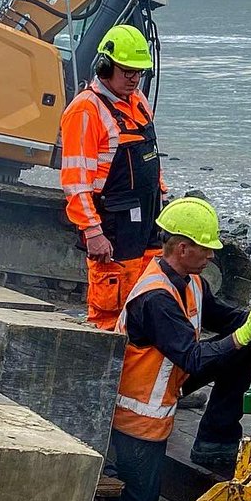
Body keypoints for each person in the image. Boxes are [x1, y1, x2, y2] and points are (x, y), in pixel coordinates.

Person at [109, 196, 251, 501]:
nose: (212, 255)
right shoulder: (156, 299)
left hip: (171, 385)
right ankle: (113, 463)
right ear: (183, 249)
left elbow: (222, 318)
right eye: (206, 248)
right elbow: (194, 358)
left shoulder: (192, 281)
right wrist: (241, 335)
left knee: (244, 345)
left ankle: (215, 441)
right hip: (139, 411)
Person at [60, 24, 167, 330]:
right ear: (106, 66)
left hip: (146, 224)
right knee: (111, 311)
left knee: (149, 304)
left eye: (139, 72)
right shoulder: (85, 110)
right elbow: (76, 181)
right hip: (113, 227)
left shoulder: (138, 103)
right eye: (127, 71)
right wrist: (93, 232)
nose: (134, 78)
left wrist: (161, 200)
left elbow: (151, 161)